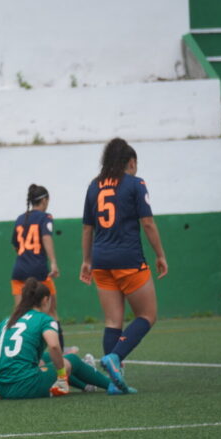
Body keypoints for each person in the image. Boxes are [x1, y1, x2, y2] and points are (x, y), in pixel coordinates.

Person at [79, 137, 168, 394]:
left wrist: (87, 261)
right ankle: (115, 357)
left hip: (101, 260)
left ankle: (114, 383)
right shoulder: (135, 184)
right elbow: (148, 223)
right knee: (147, 315)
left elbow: (87, 228)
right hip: (128, 259)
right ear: (130, 162)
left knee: (112, 321)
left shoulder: (93, 186)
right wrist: (160, 255)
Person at [0, 278, 112, 398]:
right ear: (45, 300)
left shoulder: (8, 320)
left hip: (3, 389)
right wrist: (61, 376)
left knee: (46, 358)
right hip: (27, 386)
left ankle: (86, 386)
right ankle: (112, 385)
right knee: (72, 360)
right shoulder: (45, 320)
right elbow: (54, 345)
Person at [10, 184, 66, 349]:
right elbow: (46, 237)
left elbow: (15, 245)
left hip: (19, 271)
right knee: (51, 312)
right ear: (44, 200)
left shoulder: (21, 218)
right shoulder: (45, 217)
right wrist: (53, 262)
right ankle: (60, 353)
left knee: (20, 314)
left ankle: (16, 350)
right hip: (39, 272)